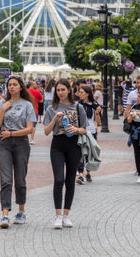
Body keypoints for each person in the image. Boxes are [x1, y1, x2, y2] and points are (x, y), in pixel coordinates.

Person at [43, 78, 87, 229]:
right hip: (57, 145)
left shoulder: (78, 107)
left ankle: (66, 215)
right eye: (58, 90)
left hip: (74, 145)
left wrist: (76, 130)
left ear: (69, 90)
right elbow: (46, 131)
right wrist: (55, 118)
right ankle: (57, 215)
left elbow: (85, 129)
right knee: (59, 179)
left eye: (63, 89)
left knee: (70, 181)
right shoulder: (51, 108)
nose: (60, 92)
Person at [0, 76, 36, 229]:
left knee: (20, 179)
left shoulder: (27, 105)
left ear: (20, 87)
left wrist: (11, 134)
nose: (11, 87)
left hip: (21, 143)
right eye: (9, 85)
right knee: (5, 180)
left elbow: (29, 128)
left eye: (15, 85)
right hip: (4, 144)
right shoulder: (2, 103)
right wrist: (3, 109)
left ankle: (21, 211)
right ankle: (5, 214)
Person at [76, 85, 100, 184]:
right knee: (80, 151)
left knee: (90, 152)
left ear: (87, 93)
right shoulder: (78, 105)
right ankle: (80, 173)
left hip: (91, 131)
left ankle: (88, 172)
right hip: (81, 130)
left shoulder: (94, 104)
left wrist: (98, 114)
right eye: (79, 92)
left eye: (81, 92)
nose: (79, 94)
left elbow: (98, 121)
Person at [125, 90, 140, 184]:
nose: (137, 99)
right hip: (135, 133)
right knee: (137, 153)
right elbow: (128, 120)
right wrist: (131, 117)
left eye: (139, 97)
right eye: (137, 97)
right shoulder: (135, 107)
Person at [27, 80, 43, 145]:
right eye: (35, 84)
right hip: (34, 110)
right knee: (33, 126)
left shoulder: (26, 91)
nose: (36, 85)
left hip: (26, 110)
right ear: (33, 85)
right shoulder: (37, 92)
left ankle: (25, 139)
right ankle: (32, 139)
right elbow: (41, 101)